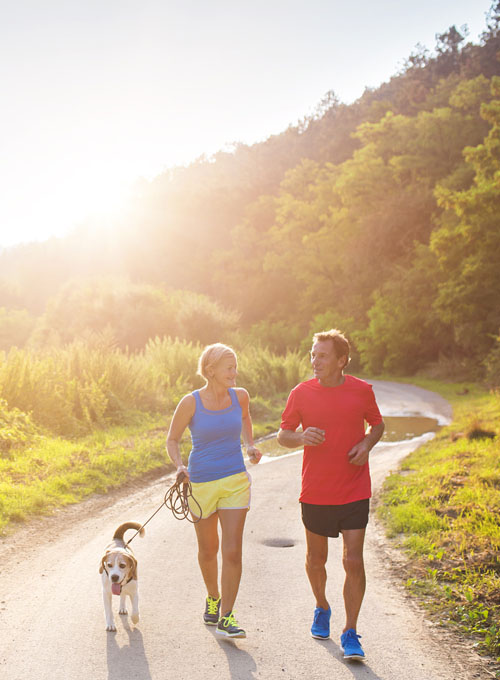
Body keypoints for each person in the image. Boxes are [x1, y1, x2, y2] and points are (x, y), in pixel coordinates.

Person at [277, 329, 384, 660]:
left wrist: (366, 444)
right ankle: (322, 605)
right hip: (316, 489)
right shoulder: (301, 393)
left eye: (322, 355)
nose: (315, 361)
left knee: (353, 559)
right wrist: (300, 437)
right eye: (312, 354)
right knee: (316, 559)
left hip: (354, 486)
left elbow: (377, 425)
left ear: (341, 360)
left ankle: (350, 630)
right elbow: (283, 435)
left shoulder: (362, 391)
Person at [166, 343, 262, 639]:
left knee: (232, 550)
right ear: (211, 371)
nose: (235, 372)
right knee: (209, 550)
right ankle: (213, 596)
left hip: (235, 480)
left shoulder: (240, 396)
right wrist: (180, 466)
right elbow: (173, 439)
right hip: (201, 484)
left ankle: (227, 617)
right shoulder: (191, 402)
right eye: (229, 368)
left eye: (235, 367)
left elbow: (245, 418)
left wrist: (249, 445)